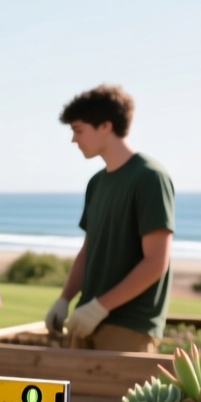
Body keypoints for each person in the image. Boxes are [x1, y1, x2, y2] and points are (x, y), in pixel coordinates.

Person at [45, 85, 175, 352]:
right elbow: (89, 249)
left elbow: (156, 262)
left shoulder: (150, 177)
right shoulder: (96, 183)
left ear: (105, 125)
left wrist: (99, 307)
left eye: (79, 130)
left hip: (129, 327)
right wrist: (65, 298)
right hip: (86, 321)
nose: (74, 140)